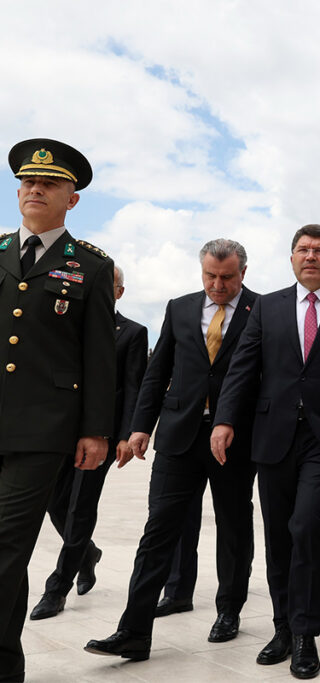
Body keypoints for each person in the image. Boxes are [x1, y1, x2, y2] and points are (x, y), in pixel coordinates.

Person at [212, 224, 320, 679]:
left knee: (308, 528)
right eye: (302, 249)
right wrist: (224, 420)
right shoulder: (268, 307)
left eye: (319, 251)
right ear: (291, 258)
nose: (310, 256)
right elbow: (243, 368)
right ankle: (282, 627)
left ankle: (306, 635)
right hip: (273, 436)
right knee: (279, 536)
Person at [85, 239, 257, 661]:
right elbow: (157, 369)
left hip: (233, 440)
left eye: (227, 278)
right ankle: (133, 631)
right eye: (210, 276)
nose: (217, 285)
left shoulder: (262, 310)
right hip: (179, 435)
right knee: (158, 529)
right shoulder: (179, 308)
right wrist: (140, 427)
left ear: (243, 274)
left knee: (233, 528)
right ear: (201, 272)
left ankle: (228, 611)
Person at [1, 138, 115, 682]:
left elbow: (98, 356)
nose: (34, 189)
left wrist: (96, 430)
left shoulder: (89, 266)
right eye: (27, 181)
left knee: (5, 544)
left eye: (48, 184)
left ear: (71, 199)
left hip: (44, 431)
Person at [30, 264, 148, 619]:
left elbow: (133, 388)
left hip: (102, 435)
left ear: (118, 292)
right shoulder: (65, 325)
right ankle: (87, 553)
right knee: (52, 500)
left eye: (107, 285)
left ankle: (57, 587)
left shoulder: (132, 333)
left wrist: (127, 434)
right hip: (59, 429)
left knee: (81, 505)